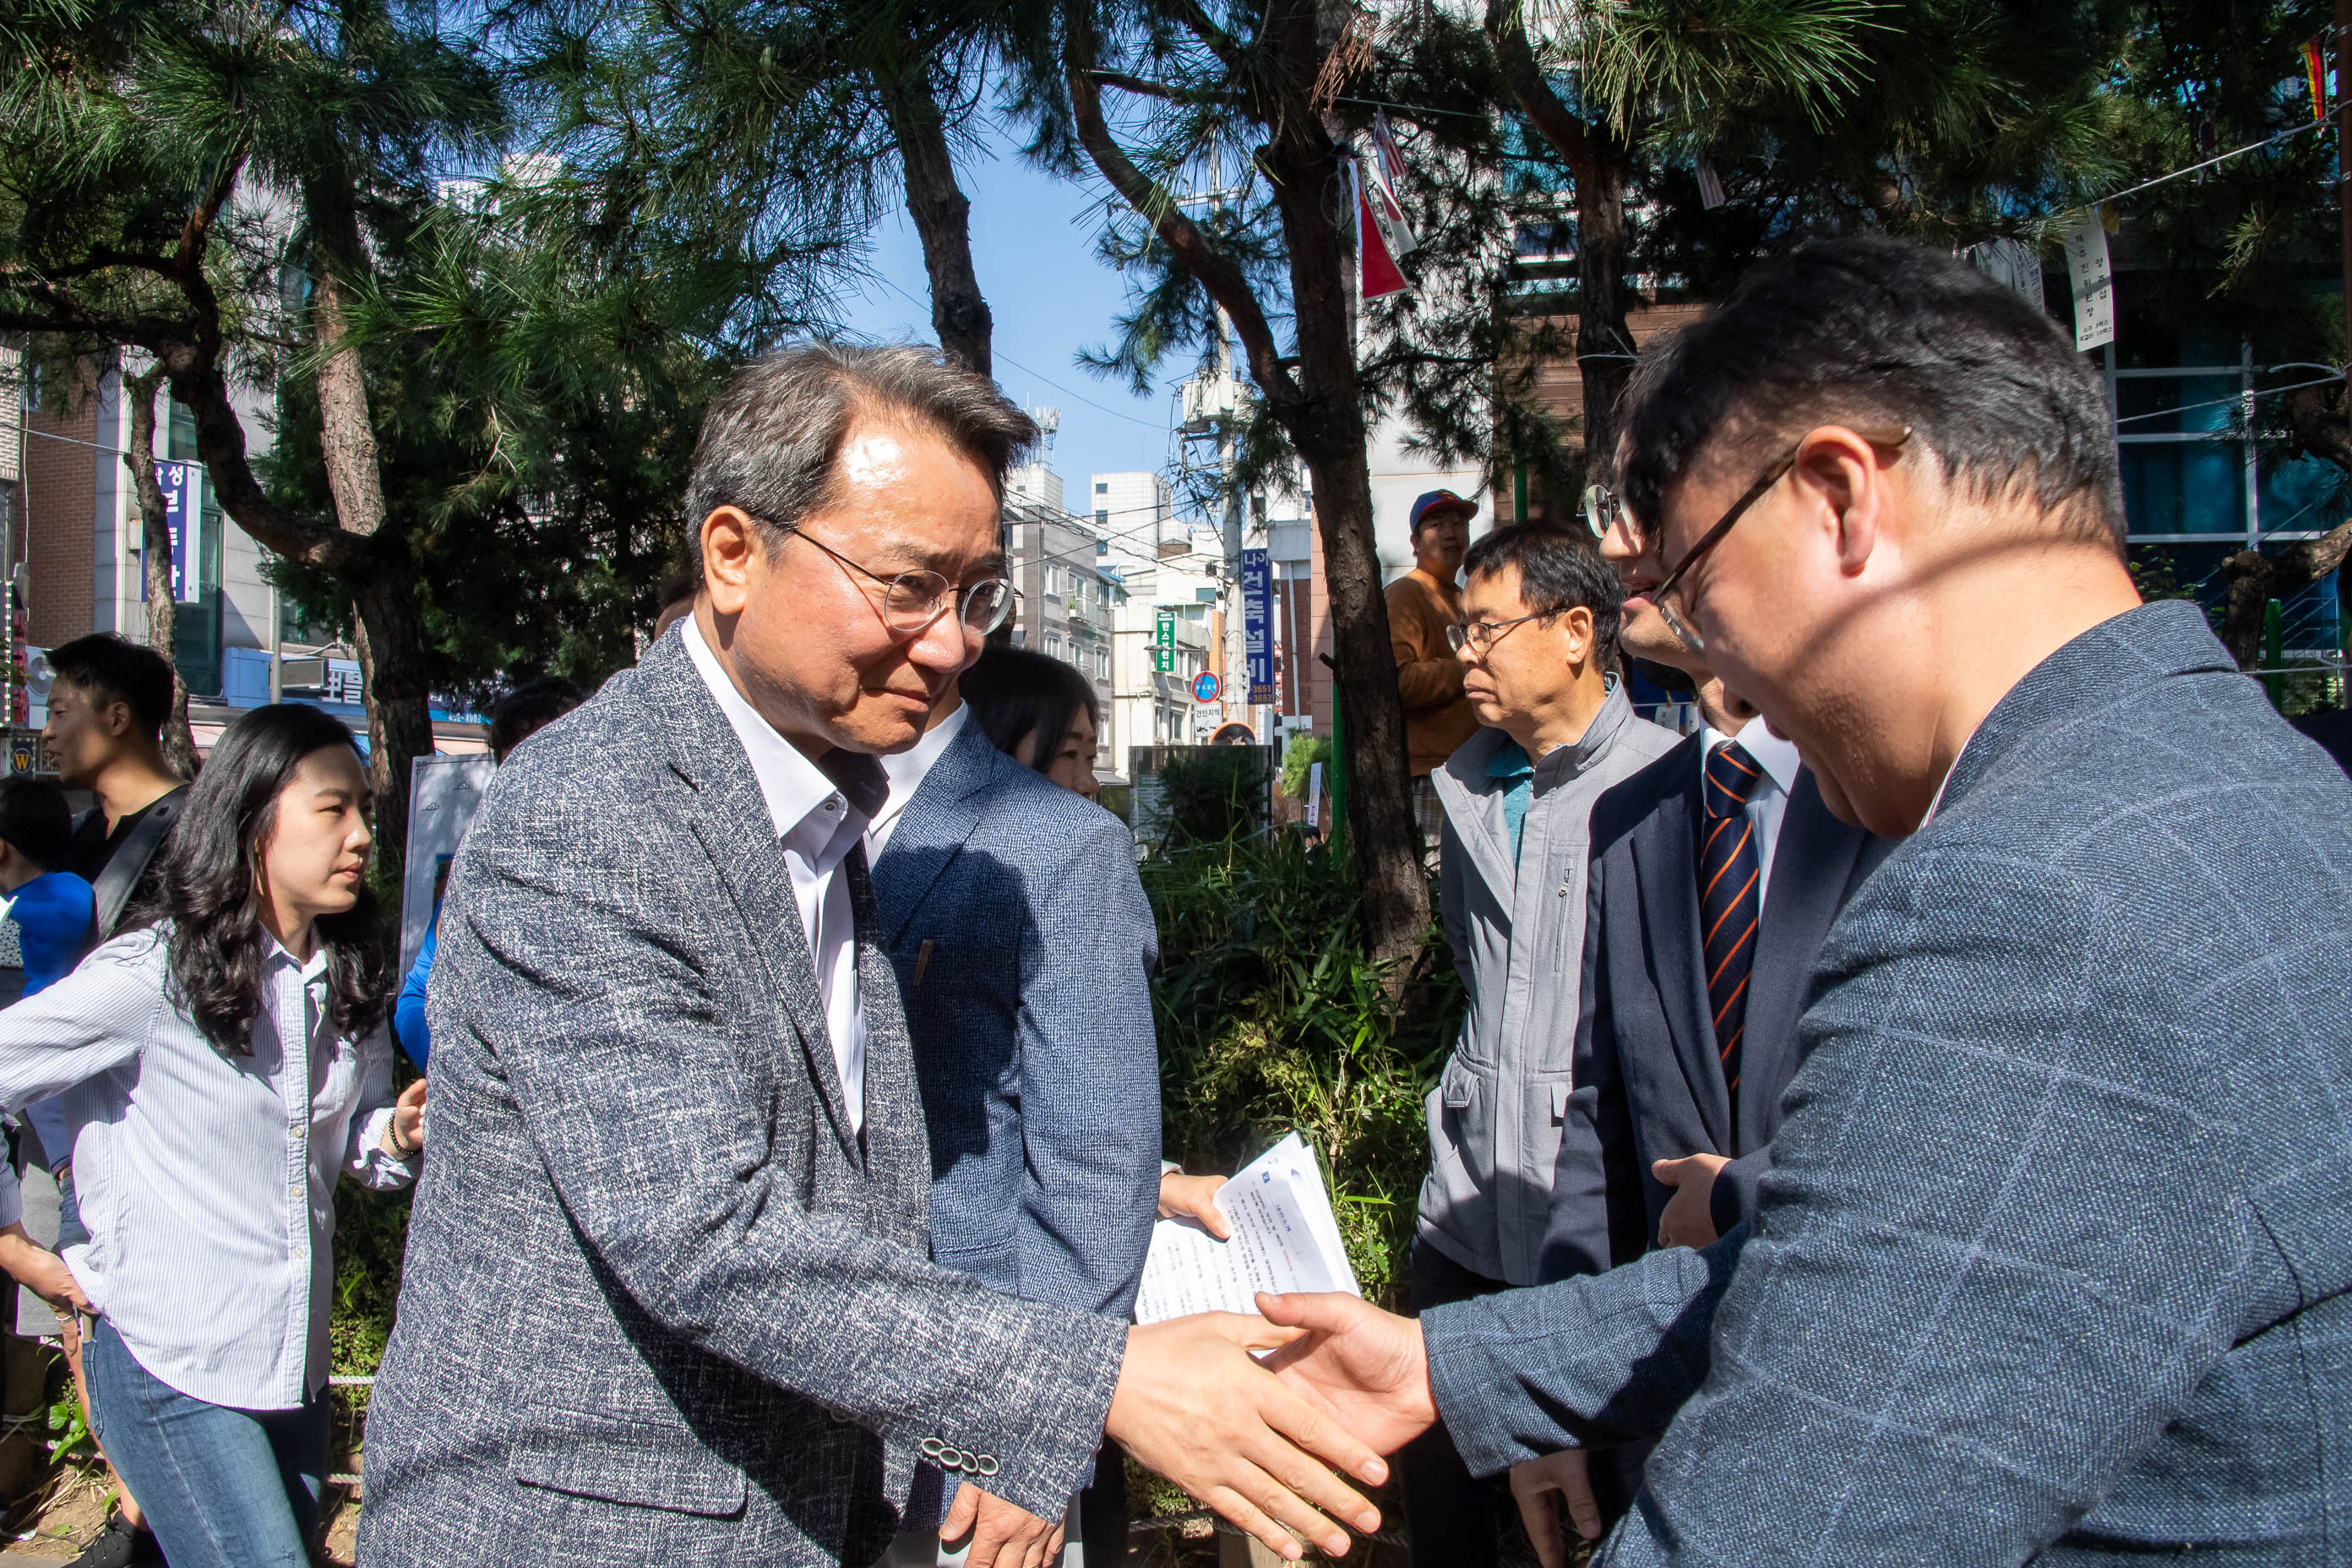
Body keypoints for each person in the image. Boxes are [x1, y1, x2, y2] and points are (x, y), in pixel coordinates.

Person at [1255, 237, 2352, 1564]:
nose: (1723, 676)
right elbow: (1915, 1275)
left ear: (1840, 498)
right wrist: (1456, 1365)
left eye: (1694, 590)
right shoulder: (2266, 784)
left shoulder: (2028, 909)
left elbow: (1784, 1516)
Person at [358, 343, 1386, 1568]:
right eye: (907, 585)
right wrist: (1099, 1381)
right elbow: (710, 1236)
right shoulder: (598, 813)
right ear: (734, 554)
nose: (952, 646)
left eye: (976, 594)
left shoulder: (809, 796)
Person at [1505, 457, 1896, 1550]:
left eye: (1652, 503)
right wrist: (1552, 1389)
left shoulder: (1895, 788)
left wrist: (1750, 1197)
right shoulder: (1631, 816)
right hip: (1670, 1415)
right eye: (1606, 510)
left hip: (1864, 1416)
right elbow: (1600, 1124)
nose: (1620, 540)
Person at [0, 703, 426, 1568]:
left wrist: (401, 1132)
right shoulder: (147, 973)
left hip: (288, 1369)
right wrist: (18, 1242)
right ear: (252, 821)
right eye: (331, 809)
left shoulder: (343, 976)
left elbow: (353, 1152)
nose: (358, 837)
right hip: (168, 1359)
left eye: (365, 813)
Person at [1400, 523, 1675, 1567]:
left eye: (1483, 630)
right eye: (1460, 632)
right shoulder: (1467, 787)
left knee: (1595, 1521)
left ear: (1574, 632)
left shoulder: (1671, 783)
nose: (1462, 655)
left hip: (1599, 1234)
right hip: (1465, 1218)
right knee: (1450, 1516)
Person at [864, 641, 1158, 1567]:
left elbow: (1095, 1164)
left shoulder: (1067, 846)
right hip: (796, 1412)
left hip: (975, 1411)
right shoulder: (777, 813)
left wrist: (1034, 1441)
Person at [33, 633, 188, 1568]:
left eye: (59, 710)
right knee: (86, 1334)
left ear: (118, 716)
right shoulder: (80, 841)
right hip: (69, 1131)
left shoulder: (192, 834)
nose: (47, 730)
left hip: (155, 1139)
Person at [391, 676, 586, 1069]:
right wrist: (473, 1083)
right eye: (510, 775)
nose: (525, 795)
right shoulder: (479, 874)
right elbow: (415, 1000)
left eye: (545, 772)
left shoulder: (636, 874)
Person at [0, 776, 95, 1365]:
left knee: (73, 1313)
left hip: (52, 1130)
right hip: (63, 1121)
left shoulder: (20, 917)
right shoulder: (80, 894)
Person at [1386, 490, 1480, 843]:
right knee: (1437, 890)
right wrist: (1466, 667)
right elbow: (1399, 682)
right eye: (1437, 525)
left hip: (1472, 767)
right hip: (1431, 774)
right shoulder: (1403, 595)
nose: (1451, 533)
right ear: (1415, 541)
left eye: (1459, 523)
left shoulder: (1465, 598)